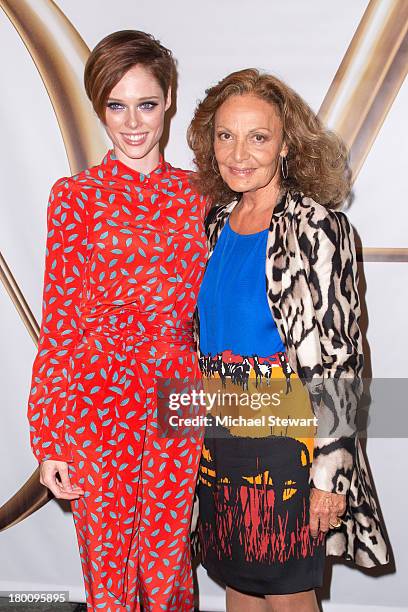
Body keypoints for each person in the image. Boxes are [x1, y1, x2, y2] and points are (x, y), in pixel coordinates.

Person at [187, 68, 390, 611]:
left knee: (288, 592)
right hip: (221, 436)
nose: (238, 152)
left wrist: (330, 475)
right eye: (225, 134)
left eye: (258, 136)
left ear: (285, 146)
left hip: (289, 446)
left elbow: (341, 359)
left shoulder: (318, 228)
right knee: (237, 582)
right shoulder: (216, 223)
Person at [27, 30, 207, 611]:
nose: (132, 122)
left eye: (147, 103)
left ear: (170, 99)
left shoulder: (202, 196)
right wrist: (49, 434)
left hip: (180, 392)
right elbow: (59, 320)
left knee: (167, 562)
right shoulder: (74, 197)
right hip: (96, 399)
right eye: (116, 105)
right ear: (99, 106)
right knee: (107, 567)